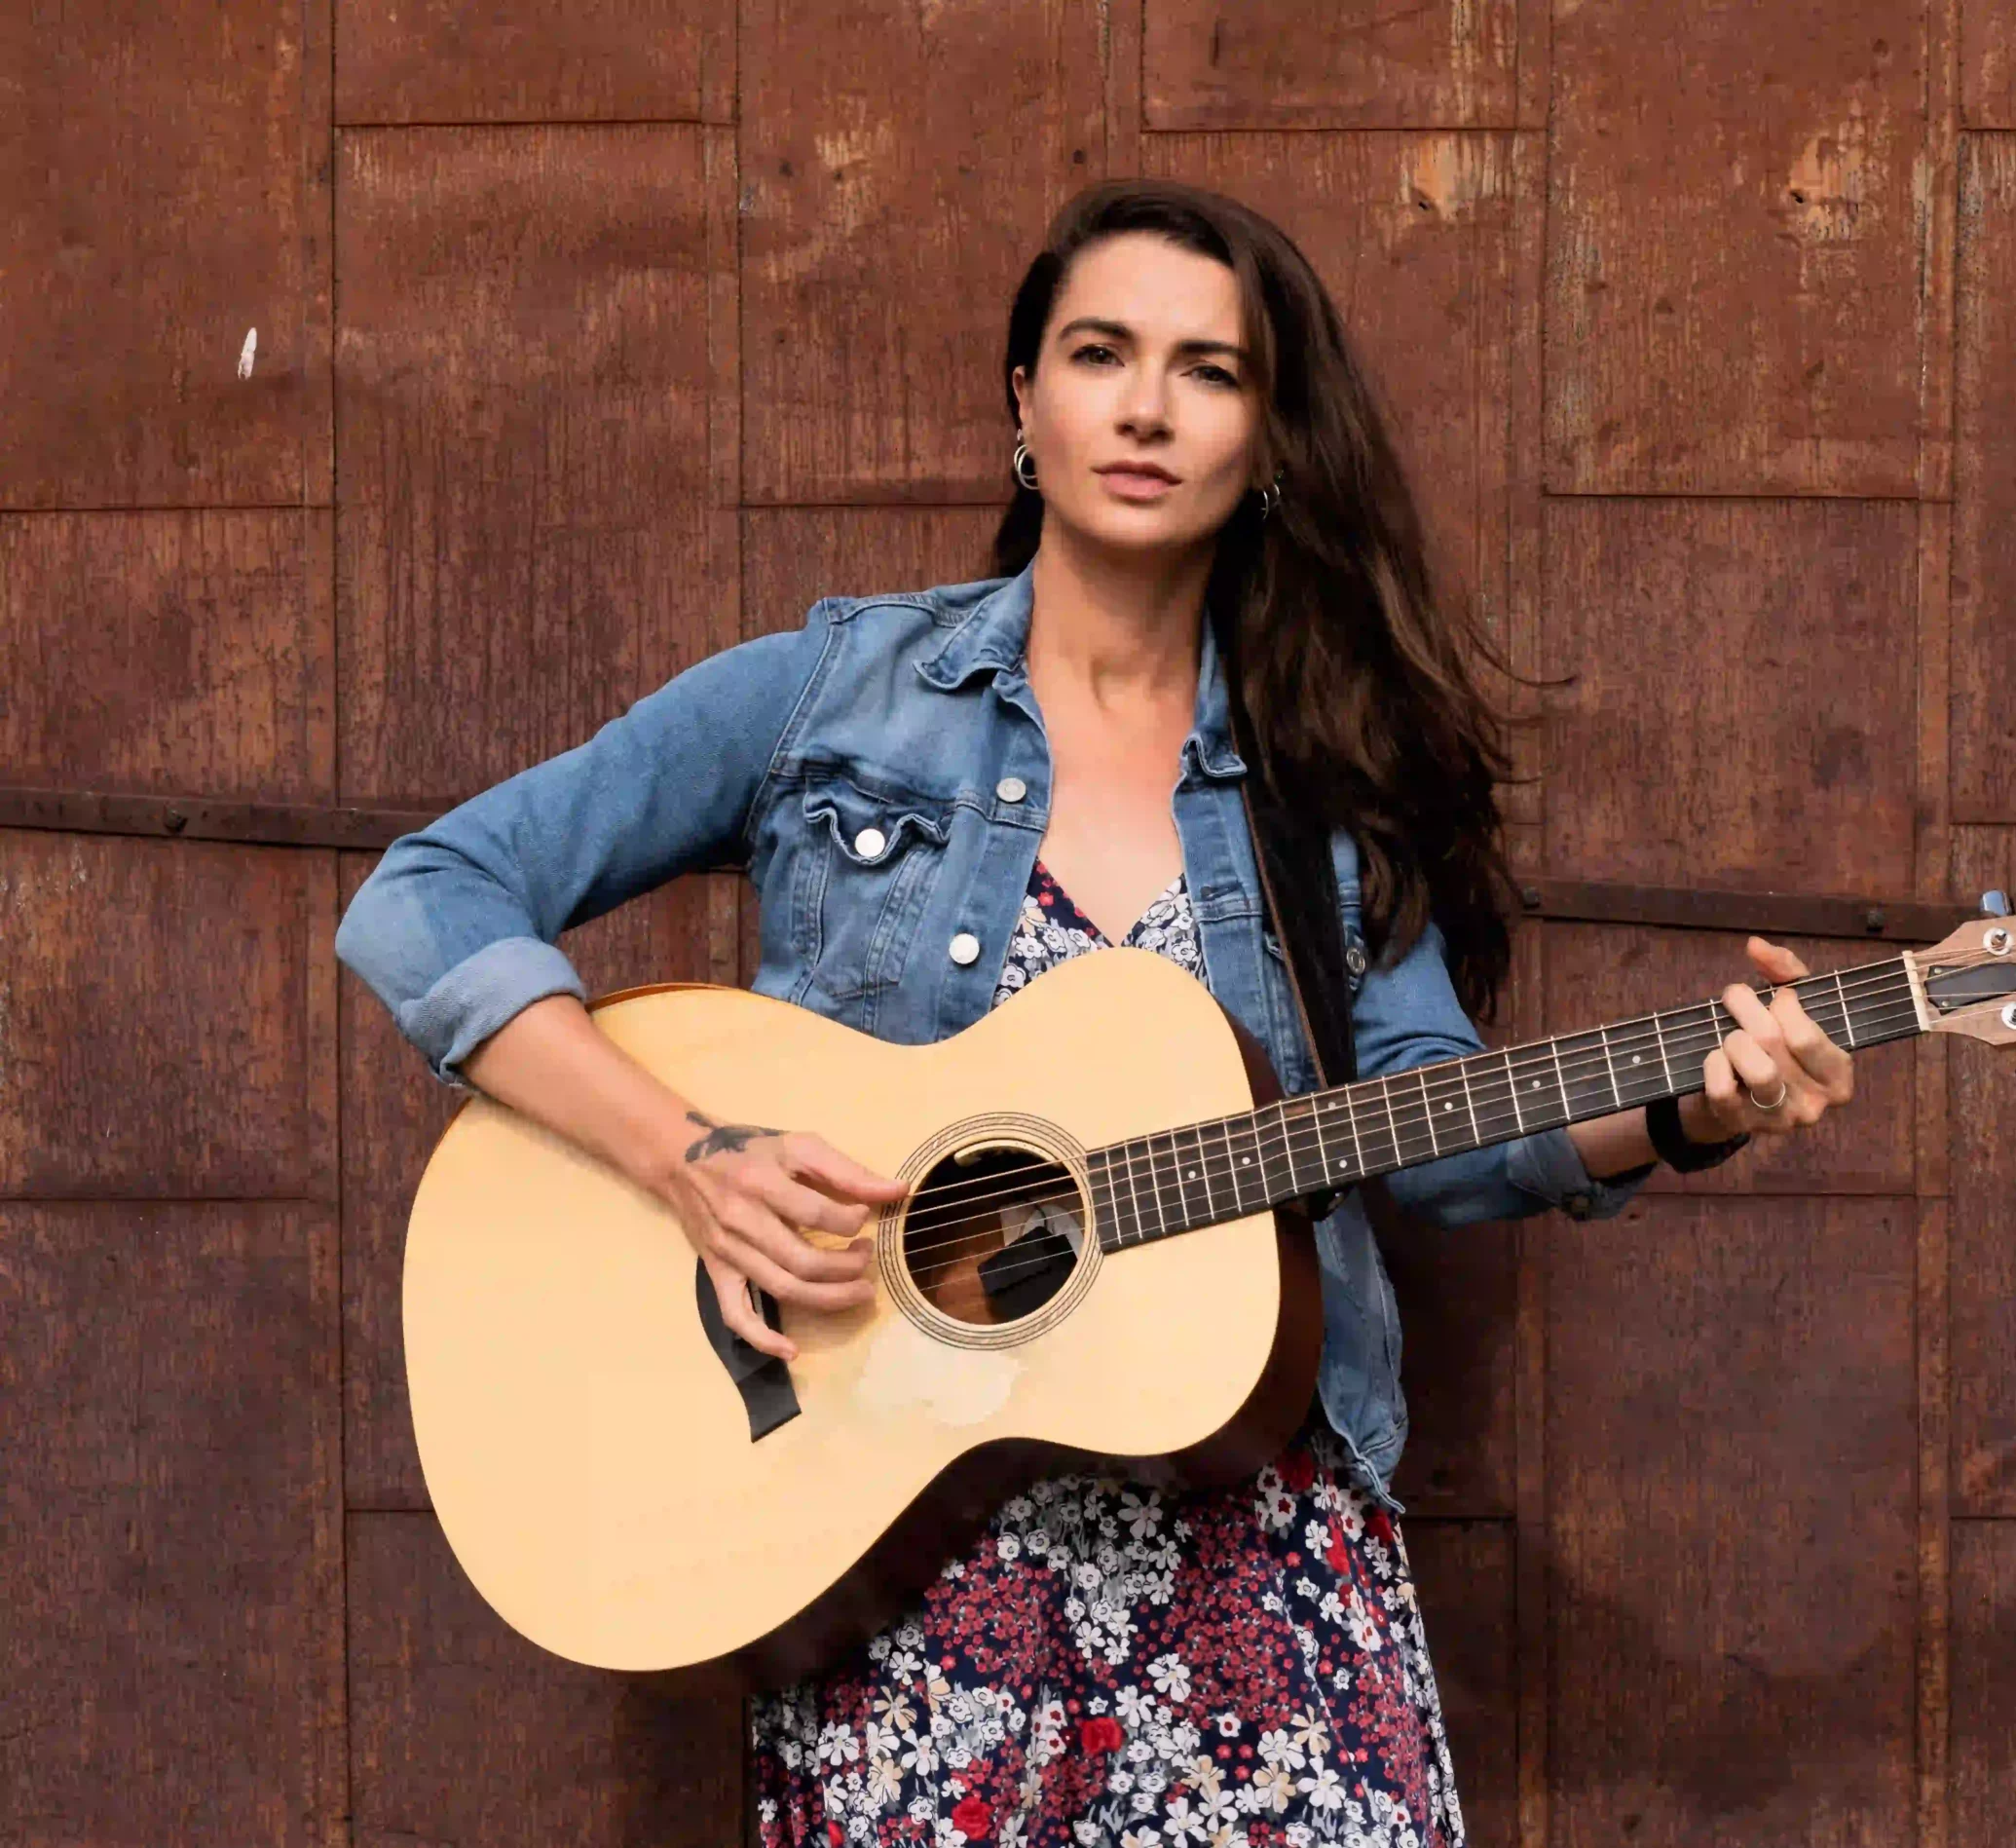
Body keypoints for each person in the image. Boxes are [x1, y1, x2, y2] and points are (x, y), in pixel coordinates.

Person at [334, 178, 1856, 1848]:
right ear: (1023, 404)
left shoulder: (1325, 787)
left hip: (1263, 1584)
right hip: (910, 1592)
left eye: (1208, 370)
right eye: (1097, 353)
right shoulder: (824, 700)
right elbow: (424, 898)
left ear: (1271, 439)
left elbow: (1426, 1135)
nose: (1143, 407)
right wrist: (694, 1157)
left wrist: (1699, 1107)